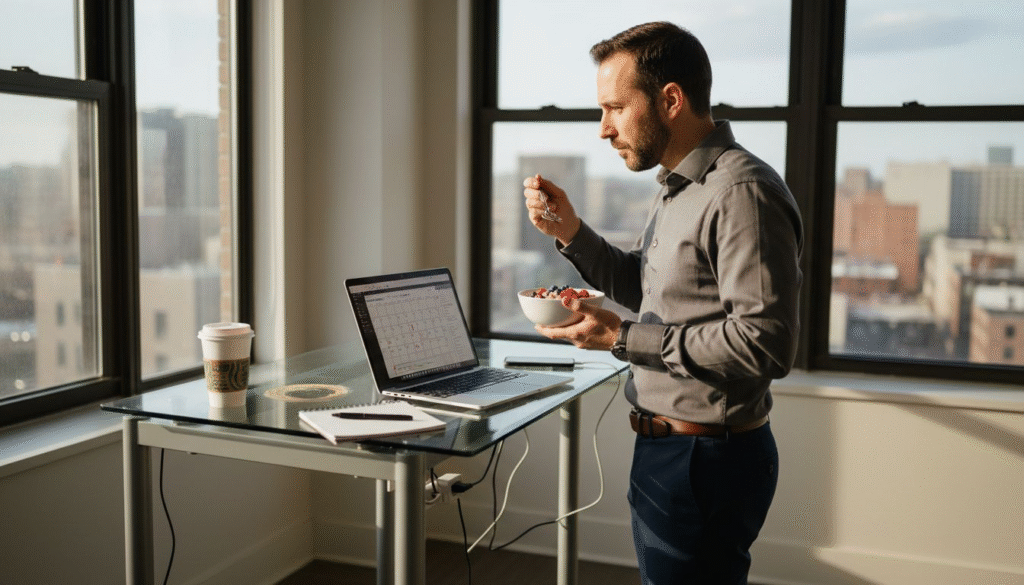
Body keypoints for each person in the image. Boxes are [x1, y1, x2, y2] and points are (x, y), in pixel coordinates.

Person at [522, 22, 803, 585]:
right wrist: (573, 232)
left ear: (670, 99)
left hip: (704, 461)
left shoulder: (740, 193)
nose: (603, 129)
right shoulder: (679, 186)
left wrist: (623, 340)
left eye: (615, 108)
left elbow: (766, 343)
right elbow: (647, 288)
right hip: (674, 451)